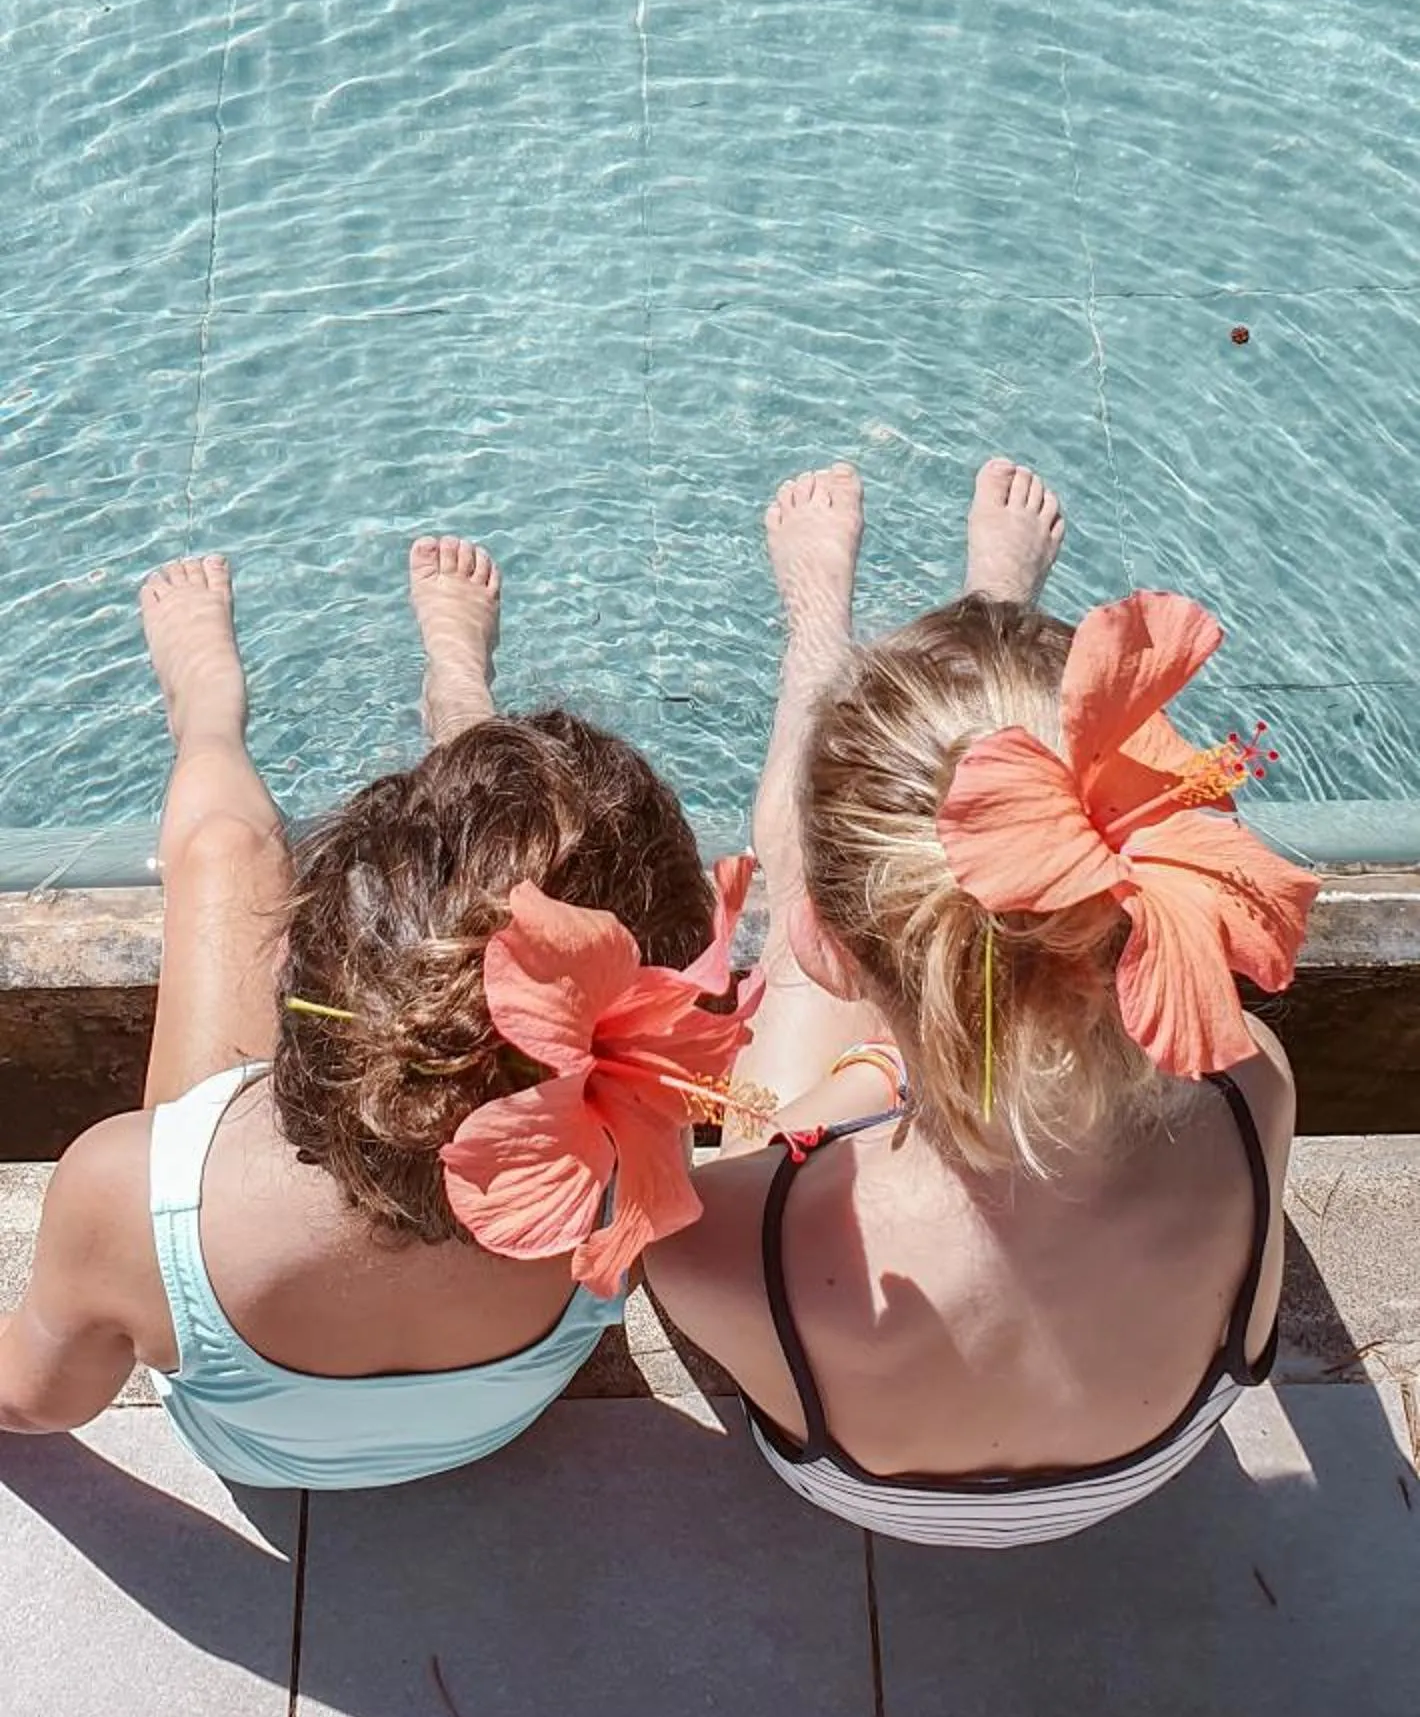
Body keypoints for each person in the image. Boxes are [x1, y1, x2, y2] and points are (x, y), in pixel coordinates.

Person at [644, 461, 1317, 1547]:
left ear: (827, 946)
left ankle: (819, 626)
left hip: (858, 1479)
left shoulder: (729, 1240)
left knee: (818, 913)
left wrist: (865, 1076)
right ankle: (995, 617)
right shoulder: (1250, 1088)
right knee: (951, 924)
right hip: (1148, 1457)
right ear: (1123, 905)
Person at [0, 539, 756, 1488]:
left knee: (229, 853)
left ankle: (208, 717)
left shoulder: (123, 1198)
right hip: (501, 1426)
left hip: (261, 1455)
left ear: (289, 964)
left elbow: (33, 1399)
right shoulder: (633, 1140)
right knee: (483, 874)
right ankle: (460, 702)